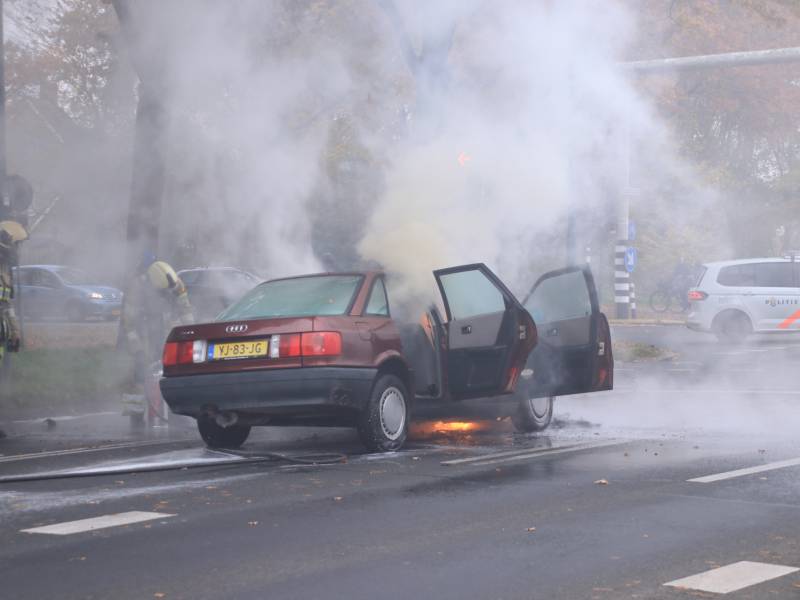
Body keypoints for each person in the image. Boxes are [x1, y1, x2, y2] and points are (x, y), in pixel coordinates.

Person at [119, 253, 194, 422]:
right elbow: (129, 323)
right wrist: (137, 348)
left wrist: (191, 333)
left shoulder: (176, 284)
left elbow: (185, 310)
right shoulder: (136, 287)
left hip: (164, 329)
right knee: (138, 375)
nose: (166, 294)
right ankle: (136, 415)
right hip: (140, 330)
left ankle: (175, 413)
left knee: (170, 372)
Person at [0, 220, 27, 438]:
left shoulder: (5, 272)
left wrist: (14, 332)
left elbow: (7, 305)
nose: (18, 251)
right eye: (16, 245)